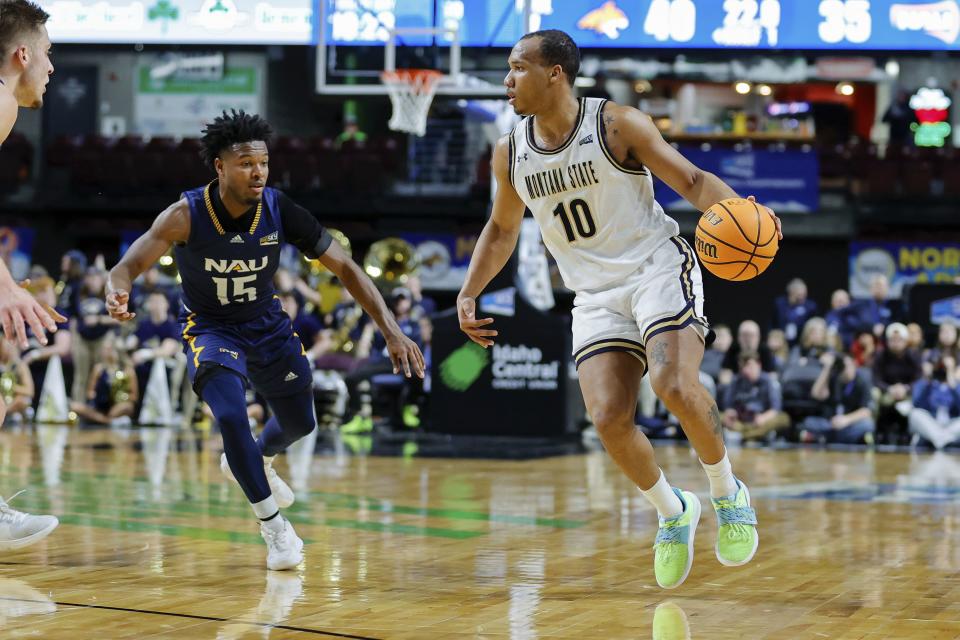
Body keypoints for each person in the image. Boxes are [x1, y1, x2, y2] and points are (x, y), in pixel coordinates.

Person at [457, 30, 781, 589]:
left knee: (673, 384)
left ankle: (727, 492)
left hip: (656, 267)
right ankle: (673, 510)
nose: (506, 81)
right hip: (594, 292)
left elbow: (692, 180)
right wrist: (468, 291)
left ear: (555, 72)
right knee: (608, 419)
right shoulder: (511, 153)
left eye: (517, 68)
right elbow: (502, 228)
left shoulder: (616, 124)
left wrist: (744, 215)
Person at [105, 110, 424, 570]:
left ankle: (260, 460)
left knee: (300, 422)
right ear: (219, 166)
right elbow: (127, 266)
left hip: (267, 326)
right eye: (245, 163)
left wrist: (391, 330)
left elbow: (347, 269)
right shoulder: (185, 214)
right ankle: (276, 530)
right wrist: (118, 291)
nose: (257, 172)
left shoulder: (280, 209)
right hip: (210, 329)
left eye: (263, 163)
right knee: (232, 416)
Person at [0, 0, 61, 549]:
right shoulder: (0, 99)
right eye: (46, 54)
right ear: (22, 54)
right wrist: (6, 284)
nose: (51, 67)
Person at [800, 352, 876, 445]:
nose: (845, 369)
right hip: (830, 423)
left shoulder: (862, 381)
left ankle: (825, 438)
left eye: (848, 365)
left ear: (854, 365)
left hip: (849, 423)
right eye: (843, 366)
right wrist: (827, 368)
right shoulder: (834, 378)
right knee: (809, 422)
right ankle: (836, 438)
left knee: (867, 424)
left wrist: (846, 420)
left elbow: (866, 411)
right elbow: (816, 394)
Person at [719, 352, 790, 442]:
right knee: (714, 415)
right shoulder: (736, 381)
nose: (746, 370)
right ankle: (751, 436)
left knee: (784, 418)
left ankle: (742, 436)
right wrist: (729, 412)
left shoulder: (769, 381)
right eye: (742, 367)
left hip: (760, 420)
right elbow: (728, 405)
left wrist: (764, 418)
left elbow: (775, 409)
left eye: (749, 366)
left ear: (759, 364)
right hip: (739, 421)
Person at [772, 278, 818, 345]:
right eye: (800, 295)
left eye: (804, 294)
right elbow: (773, 322)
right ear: (791, 292)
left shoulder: (810, 306)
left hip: (801, 341)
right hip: (781, 340)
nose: (803, 298)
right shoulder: (779, 303)